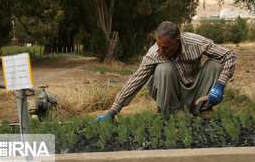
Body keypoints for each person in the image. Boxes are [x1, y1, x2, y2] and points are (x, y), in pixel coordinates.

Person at [96, 21, 236, 121]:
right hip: (169, 95)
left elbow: (229, 55)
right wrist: (112, 112)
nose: (161, 51)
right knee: (164, 68)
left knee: (215, 65)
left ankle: (202, 109)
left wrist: (219, 85)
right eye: (159, 46)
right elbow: (135, 81)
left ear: (178, 41)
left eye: (166, 47)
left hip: (194, 91)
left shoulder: (196, 43)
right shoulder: (155, 53)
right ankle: (173, 113)